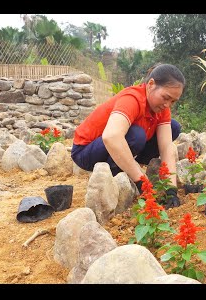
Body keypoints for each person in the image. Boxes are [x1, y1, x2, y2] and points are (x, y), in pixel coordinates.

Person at [71, 63, 185, 208]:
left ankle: (130, 166)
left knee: (173, 127)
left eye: (173, 101)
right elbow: (111, 137)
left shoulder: (162, 108)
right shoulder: (132, 98)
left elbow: (166, 147)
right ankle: (115, 176)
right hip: (86, 151)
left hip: (118, 145)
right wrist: (141, 181)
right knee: (136, 135)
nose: (167, 104)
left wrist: (171, 190)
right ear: (151, 85)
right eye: (165, 97)